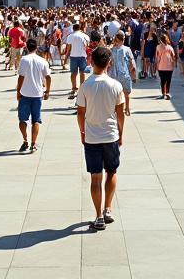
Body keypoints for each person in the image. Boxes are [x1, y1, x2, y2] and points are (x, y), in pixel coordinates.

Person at [76, 45, 125, 231]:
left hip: (92, 137)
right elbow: (120, 113)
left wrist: (82, 131)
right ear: (109, 63)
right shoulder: (116, 85)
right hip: (111, 134)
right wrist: (121, 132)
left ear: (91, 61)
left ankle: (98, 216)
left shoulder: (85, 86)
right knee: (111, 172)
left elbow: (80, 113)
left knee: (95, 177)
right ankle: (108, 209)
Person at [16, 36, 51, 152]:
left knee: (22, 120)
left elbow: (21, 77)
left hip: (25, 93)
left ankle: (25, 140)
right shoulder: (43, 61)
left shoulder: (24, 60)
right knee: (36, 120)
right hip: (37, 94)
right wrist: (47, 91)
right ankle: (33, 143)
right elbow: (48, 77)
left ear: (26, 47)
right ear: (37, 47)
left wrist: (18, 92)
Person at [108, 31, 137, 115]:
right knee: (126, 94)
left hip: (113, 76)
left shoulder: (111, 50)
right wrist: (133, 76)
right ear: (123, 40)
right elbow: (132, 63)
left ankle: (114, 110)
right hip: (124, 74)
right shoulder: (127, 49)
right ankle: (127, 109)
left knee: (114, 94)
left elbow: (109, 64)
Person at [65, 21, 90, 100]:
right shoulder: (85, 36)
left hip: (73, 56)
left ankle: (74, 88)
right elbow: (88, 45)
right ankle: (81, 88)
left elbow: (68, 48)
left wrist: (66, 57)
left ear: (73, 28)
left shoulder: (70, 36)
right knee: (82, 73)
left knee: (73, 73)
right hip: (82, 56)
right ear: (80, 28)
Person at [154, 32, 177, 100]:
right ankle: (167, 93)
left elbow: (157, 57)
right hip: (169, 67)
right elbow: (173, 56)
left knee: (162, 80)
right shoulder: (170, 47)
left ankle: (163, 93)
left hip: (161, 66)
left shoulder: (158, 47)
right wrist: (174, 64)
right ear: (167, 40)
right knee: (168, 80)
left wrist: (156, 65)